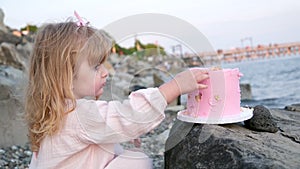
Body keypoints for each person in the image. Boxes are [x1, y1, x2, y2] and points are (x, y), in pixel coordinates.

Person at [25, 14, 209, 169]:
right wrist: (174, 87)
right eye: (96, 66)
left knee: (120, 150)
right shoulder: (78, 113)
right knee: (139, 161)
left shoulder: (53, 112)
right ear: (65, 74)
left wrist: (120, 136)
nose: (106, 72)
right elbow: (128, 116)